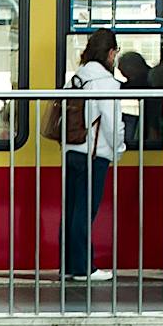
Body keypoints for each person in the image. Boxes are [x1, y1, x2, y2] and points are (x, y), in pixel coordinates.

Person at [59, 29, 124, 284]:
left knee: (71, 210)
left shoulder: (76, 78)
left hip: (72, 150)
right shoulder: (106, 82)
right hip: (94, 154)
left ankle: (68, 265)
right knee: (85, 212)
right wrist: (118, 149)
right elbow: (112, 123)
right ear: (110, 53)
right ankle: (85, 267)